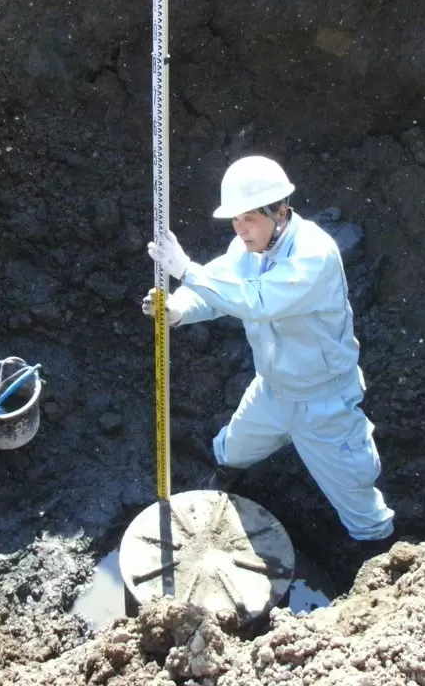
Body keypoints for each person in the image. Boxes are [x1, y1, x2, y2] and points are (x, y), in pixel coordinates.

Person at [143, 155, 395, 544]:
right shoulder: (247, 248)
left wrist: (187, 270)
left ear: (280, 211)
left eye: (249, 219)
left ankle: (380, 564)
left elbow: (255, 300)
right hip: (271, 391)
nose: (241, 230)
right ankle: (223, 486)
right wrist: (178, 309)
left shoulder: (314, 254)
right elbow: (217, 293)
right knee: (231, 449)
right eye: (236, 221)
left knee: (359, 499)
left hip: (323, 401)